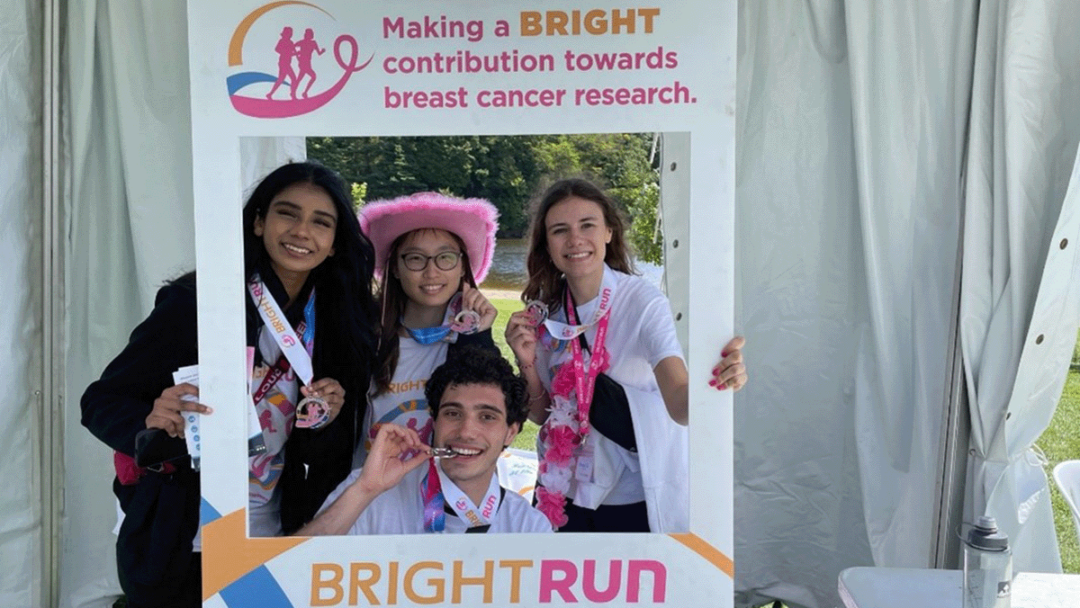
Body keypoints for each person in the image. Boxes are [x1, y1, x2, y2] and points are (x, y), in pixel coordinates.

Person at [80, 161, 378, 608]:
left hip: (269, 531)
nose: (302, 231)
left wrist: (324, 420)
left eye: (321, 222)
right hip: (183, 533)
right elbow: (100, 402)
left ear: (335, 244)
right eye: (287, 213)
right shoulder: (196, 304)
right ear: (258, 222)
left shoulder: (337, 326)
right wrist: (150, 418)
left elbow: (325, 455)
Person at [504, 178, 747, 533]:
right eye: (560, 230)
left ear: (608, 233)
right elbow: (541, 415)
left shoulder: (643, 302)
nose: (575, 240)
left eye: (587, 225)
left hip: (629, 498)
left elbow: (679, 403)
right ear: (548, 245)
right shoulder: (546, 314)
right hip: (560, 492)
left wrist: (719, 383)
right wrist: (525, 360)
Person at [298, 347, 552, 535]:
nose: (466, 431)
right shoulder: (370, 491)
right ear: (434, 420)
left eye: (487, 417)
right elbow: (287, 573)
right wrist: (365, 491)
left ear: (510, 432)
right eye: (453, 413)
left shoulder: (528, 528)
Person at [356, 192, 500, 464]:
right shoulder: (368, 338)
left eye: (445, 257)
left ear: (462, 266)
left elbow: (489, 420)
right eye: (415, 258)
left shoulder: (472, 340)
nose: (432, 272)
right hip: (375, 498)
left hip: (447, 500)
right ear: (395, 268)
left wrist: (478, 335)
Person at [266, 26, 298, 100]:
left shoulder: (291, 42)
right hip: (283, 62)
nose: (290, 35)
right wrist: (285, 52)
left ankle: (270, 94)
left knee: (281, 79)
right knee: (293, 78)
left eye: (291, 33)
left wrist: (297, 54)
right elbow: (277, 49)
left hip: (287, 63)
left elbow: (292, 53)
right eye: (289, 33)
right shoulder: (282, 41)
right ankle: (292, 95)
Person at [293, 28, 325, 98]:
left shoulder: (313, 43)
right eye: (307, 34)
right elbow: (293, 47)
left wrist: (322, 51)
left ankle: (299, 92)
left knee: (303, 78)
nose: (308, 36)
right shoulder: (302, 42)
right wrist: (297, 55)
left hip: (307, 63)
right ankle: (298, 92)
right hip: (302, 63)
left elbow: (319, 53)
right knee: (307, 77)